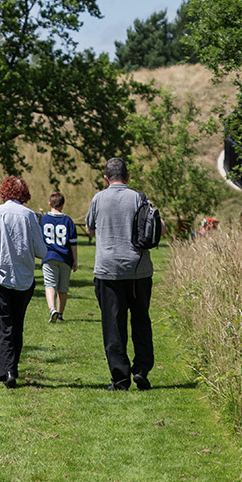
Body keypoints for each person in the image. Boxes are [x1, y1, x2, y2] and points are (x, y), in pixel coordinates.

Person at [81, 156, 153, 390]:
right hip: (139, 271)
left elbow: (89, 228)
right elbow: (157, 227)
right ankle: (141, 369)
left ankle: (120, 378)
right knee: (141, 320)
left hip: (108, 271)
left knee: (113, 325)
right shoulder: (140, 198)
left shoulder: (98, 199)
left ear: (106, 178)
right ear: (127, 177)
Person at [0, 175, 47, 388]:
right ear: (24, 193)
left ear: (4, 192)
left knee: (3, 324)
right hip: (25, 278)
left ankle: (6, 370)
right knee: (17, 324)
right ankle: (10, 368)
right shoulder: (30, 216)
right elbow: (41, 250)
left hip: (2, 274)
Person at [39, 192, 77, 322]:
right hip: (65, 257)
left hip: (48, 256)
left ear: (49, 204)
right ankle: (60, 314)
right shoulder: (68, 221)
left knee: (50, 285)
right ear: (63, 205)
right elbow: (73, 243)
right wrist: (75, 260)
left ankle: (52, 309)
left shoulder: (43, 219)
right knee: (63, 288)